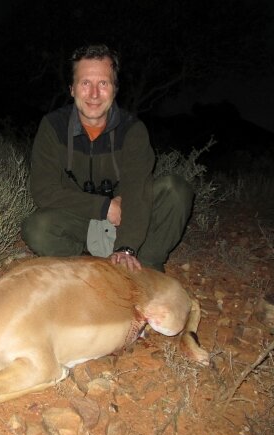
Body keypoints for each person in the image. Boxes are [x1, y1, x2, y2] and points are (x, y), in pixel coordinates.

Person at [21, 44, 194, 272]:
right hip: (81, 217)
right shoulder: (53, 126)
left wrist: (126, 247)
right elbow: (44, 191)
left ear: (115, 89)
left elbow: (135, 189)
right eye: (86, 83)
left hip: (128, 214)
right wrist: (104, 207)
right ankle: (90, 268)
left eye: (103, 83)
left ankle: (148, 266)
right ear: (72, 89)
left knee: (175, 189)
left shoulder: (133, 129)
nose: (94, 94)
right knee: (37, 228)